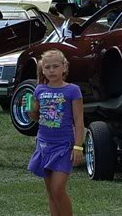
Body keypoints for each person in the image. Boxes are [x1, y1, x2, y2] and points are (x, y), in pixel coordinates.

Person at [27, 49, 85, 216]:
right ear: (42, 69)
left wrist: (78, 146)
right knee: (51, 192)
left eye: (55, 66)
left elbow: (79, 120)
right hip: (44, 146)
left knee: (58, 189)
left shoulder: (73, 90)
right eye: (47, 67)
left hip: (64, 146)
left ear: (64, 68)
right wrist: (30, 108)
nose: (51, 70)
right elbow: (37, 118)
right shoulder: (39, 90)